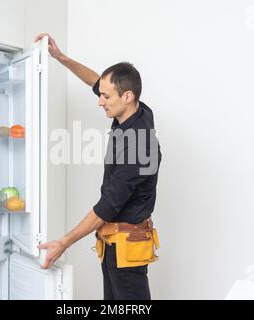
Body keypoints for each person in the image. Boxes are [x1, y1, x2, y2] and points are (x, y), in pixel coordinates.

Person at [35, 33, 161, 300]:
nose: (99, 101)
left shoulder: (138, 148)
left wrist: (63, 243)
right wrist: (61, 57)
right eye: (100, 94)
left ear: (127, 96)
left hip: (127, 248)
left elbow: (106, 207)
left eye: (105, 97)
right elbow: (96, 81)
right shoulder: (137, 110)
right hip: (113, 242)